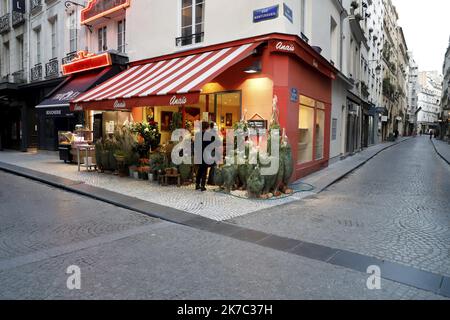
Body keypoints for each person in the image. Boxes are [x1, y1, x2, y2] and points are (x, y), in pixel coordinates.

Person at [195, 122, 211, 192]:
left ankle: (197, 184)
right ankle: (202, 186)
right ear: (207, 127)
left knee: (199, 170)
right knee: (204, 170)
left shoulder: (197, 134)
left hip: (199, 154)